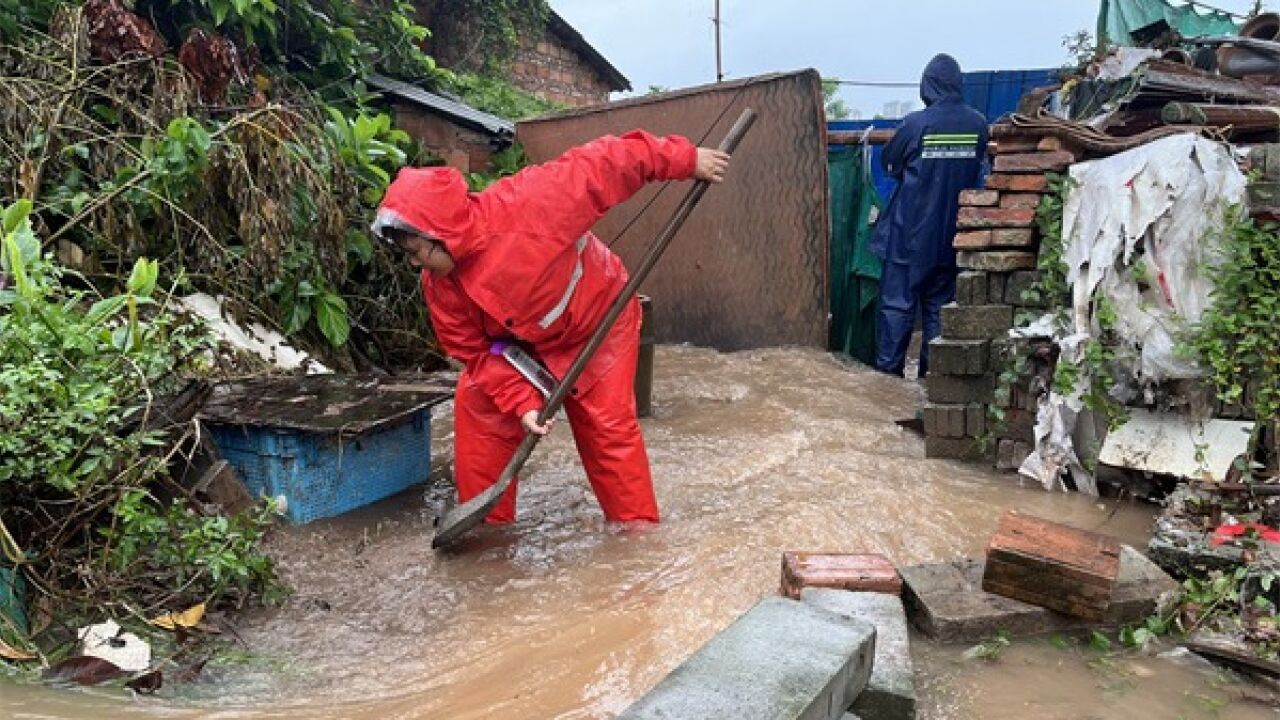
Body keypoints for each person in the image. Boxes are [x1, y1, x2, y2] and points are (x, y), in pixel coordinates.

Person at [371, 132, 730, 525]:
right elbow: (475, 354)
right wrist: (522, 401)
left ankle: (636, 540)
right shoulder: (439, 286)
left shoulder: (530, 202)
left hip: (597, 321)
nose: (413, 264)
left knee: (607, 429)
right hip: (520, 345)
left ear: (442, 234)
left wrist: (686, 159)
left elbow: (608, 161)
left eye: (415, 252)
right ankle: (485, 531)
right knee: (477, 403)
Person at [872, 53, 988, 377]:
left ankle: (885, 385)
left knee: (897, 308)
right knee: (938, 311)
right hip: (952, 236)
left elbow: (890, 163)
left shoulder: (915, 124)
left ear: (927, 85)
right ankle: (935, 384)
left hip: (908, 236)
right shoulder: (978, 124)